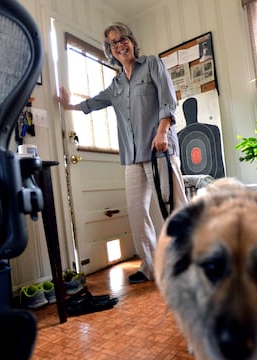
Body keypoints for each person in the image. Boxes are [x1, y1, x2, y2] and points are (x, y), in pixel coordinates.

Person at [55, 22, 187, 284]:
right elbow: (94, 103)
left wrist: (162, 132)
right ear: (110, 50)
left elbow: (167, 100)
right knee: (137, 214)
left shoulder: (151, 64)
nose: (120, 44)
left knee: (175, 209)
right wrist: (67, 104)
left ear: (132, 41)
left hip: (159, 150)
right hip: (132, 157)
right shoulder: (115, 84)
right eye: (113, 43)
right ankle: (151, 268)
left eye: (123, 38)